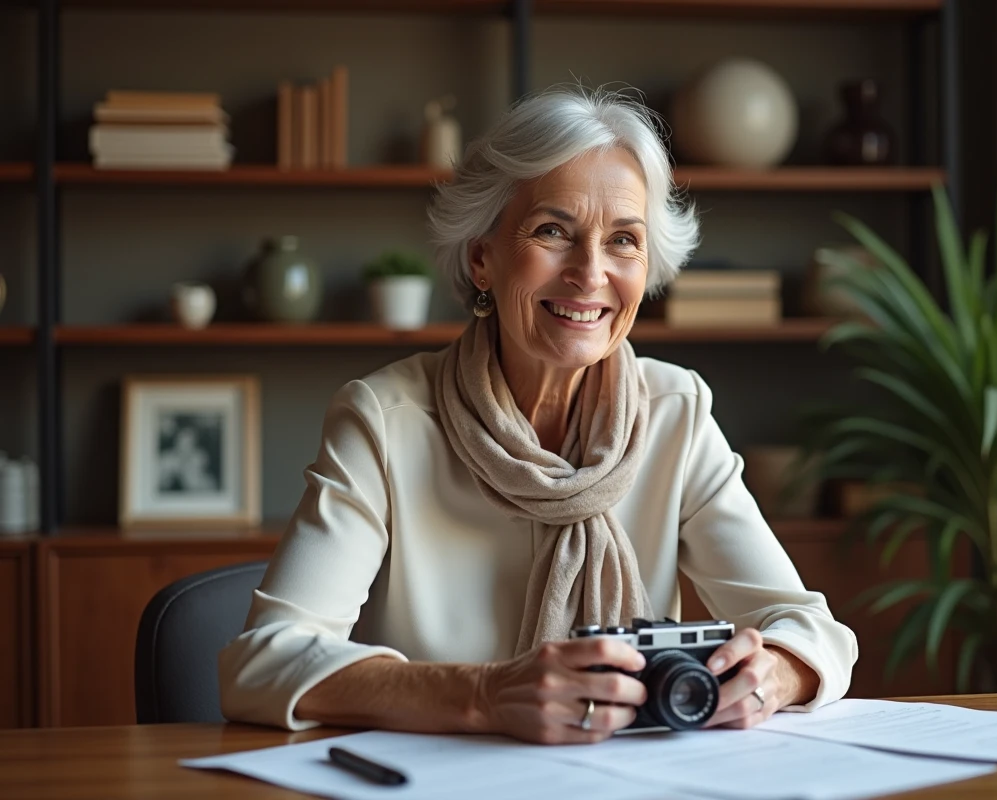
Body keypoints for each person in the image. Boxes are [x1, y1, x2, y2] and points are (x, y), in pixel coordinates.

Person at [219, 87, 858, 744]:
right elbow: (264, 661)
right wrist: (483, 694)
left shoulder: (677, 413)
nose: (590, 273)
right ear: (481, 258)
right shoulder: (384, 419)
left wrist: (775, 674)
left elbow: (810, 630)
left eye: (623, 241)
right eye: (553, 231)